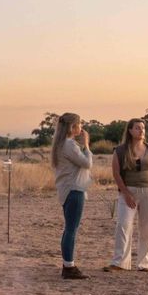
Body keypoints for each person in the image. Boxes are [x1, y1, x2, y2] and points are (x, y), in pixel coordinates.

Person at [107, 118, 148, 271]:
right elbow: (116, 174)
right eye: (137, 128)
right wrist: (126, 193)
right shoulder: (120, 151)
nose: (141, 131)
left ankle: (144, 264)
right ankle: (120, 262)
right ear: (129, 131)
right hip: (128, 191)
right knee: (123, 225)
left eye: (143, 128)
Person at [52, 113, 92, 279]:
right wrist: (87, 145)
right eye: (79, 124)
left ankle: (67, 264)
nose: (81, 128)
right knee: (71, 229)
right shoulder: (69, 145)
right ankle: (69, 267)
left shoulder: (61, 144)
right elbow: (87, 163)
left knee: (69, 228)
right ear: (72, 127)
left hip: (67, 190)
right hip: (74, 190)